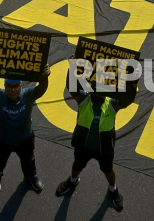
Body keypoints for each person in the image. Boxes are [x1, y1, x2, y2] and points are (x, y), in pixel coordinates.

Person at [55, 58, 138, 212]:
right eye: (94, 88)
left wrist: (132, 85)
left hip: (104, 148)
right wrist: (73, 67)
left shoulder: (112, 104)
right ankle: (73, 180)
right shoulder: (84, 99)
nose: (98, 91)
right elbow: (71, 86)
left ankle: (113, 189)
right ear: (90, 87)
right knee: (77, 165)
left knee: (108, 170)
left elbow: (126, 101)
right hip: (83, 145)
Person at [0, 62, 51, 196]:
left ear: (21, 87)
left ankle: (31, 175)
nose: (13, 90)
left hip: (25, 139)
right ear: (4, 87)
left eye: (16, 86)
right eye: (9, 87)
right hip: (2, 140)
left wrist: (45, 76)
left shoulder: (27, 95)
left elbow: (41, 89)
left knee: (29, 160)